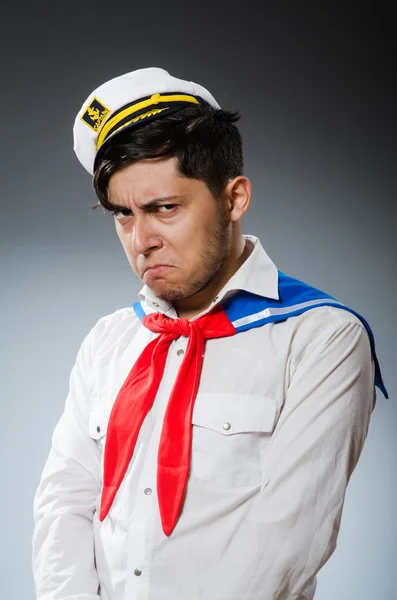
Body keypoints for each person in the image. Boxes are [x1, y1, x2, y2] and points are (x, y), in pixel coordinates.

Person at [32, 67, 388, 600]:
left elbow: (285, 545)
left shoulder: (322, 339)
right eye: (122, 216)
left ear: (234, 198)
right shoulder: (108, 341)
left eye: (164, 208)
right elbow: (63, 504)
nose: (141, 239)